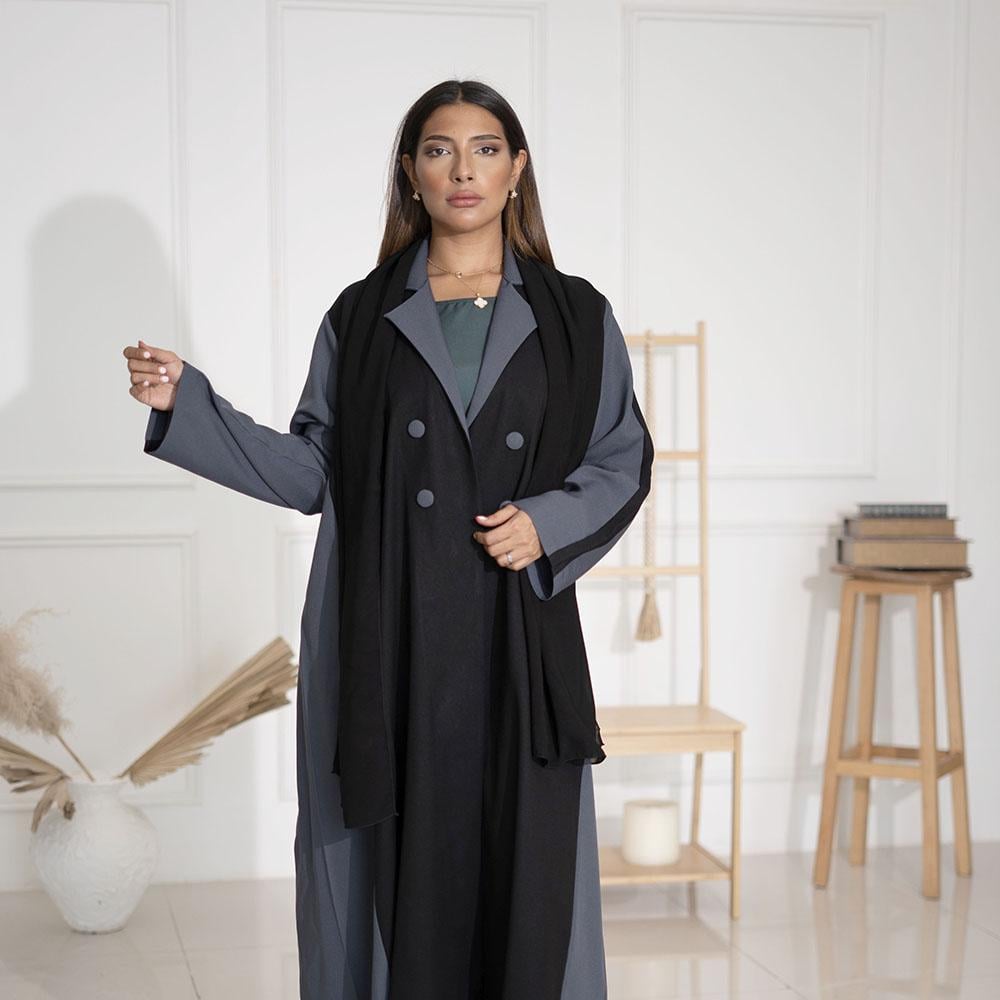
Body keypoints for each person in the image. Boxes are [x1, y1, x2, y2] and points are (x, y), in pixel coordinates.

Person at [123, 79, 653, 1000]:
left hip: (518, 643)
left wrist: (548, 523)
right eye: (440, 150)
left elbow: (623, 456)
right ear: (411, 172)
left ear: (517, 170)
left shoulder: (576, 315)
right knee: (390, 874)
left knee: (525, 875)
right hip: (393, 636)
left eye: (486, 149)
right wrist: (188, 406)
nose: (463, 170)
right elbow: (314, 469)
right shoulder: (361, 317)